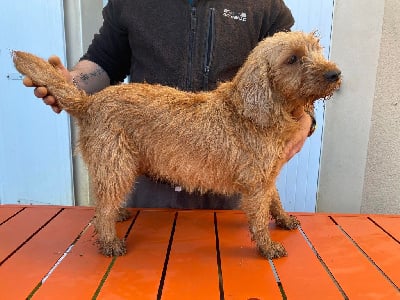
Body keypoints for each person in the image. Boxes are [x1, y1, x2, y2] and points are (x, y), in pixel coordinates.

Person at [24, 0, 313, 209]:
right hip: (150, 186)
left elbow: (296, 75)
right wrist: (70, 84)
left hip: (229, 186)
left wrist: (306, 119)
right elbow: (104, 62)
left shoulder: (265, 6)